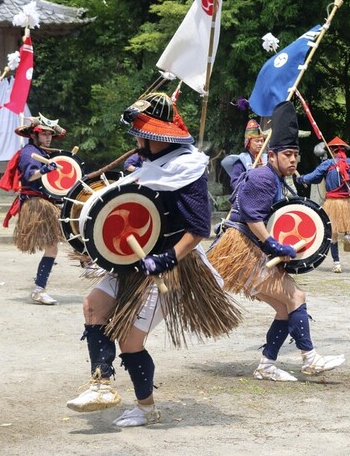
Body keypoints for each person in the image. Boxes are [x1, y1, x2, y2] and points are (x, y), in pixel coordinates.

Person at [66, 92, 242, 428]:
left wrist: (165, 260)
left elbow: (198, 229)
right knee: (93, 306)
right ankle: (101, 385)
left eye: (144, 134)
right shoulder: (151, 165)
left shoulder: (187, 170)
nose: (138, 139)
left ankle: (146, 408)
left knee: (130, 340)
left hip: (172, 265)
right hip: (134, 260)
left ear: (161, 136)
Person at [208, 101, 345, 382]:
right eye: (287, 154)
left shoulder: (275, 177)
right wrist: (273, 245)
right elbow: (250, 216)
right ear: (272, 156)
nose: (293, 160)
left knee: (284, 308)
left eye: (296, 155)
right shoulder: (264, 177)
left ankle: (267, 365)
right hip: (242, 252)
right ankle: (310, 359)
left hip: (245, 251)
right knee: (296, 297)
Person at [0, 116, 67, 305]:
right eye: (44, 134)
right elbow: (31, 175)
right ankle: (39, 289)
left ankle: (40, 288)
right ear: (34, 135)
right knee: (52, 247)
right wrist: (45, 170)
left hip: (44, 202)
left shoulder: (41, 152)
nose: (48, 138)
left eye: (50, 135)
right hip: (36, 205)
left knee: (53, 248)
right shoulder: (29, 153)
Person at [297, 136, 350, 273]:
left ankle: (337, 263)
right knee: (346, 224)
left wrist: (300, 178)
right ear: (344, 150)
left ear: (330, 150)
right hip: (348, 201)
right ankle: (348, 236)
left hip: (332, 203)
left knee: (333, 234)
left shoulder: (327, 164)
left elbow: (313, 177)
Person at [220, 118, 265, 190]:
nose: (260, 144)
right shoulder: (241, 162)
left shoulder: (267, 159)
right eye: (257, 141)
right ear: (249, 143)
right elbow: (235, 184)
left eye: (262, 141)